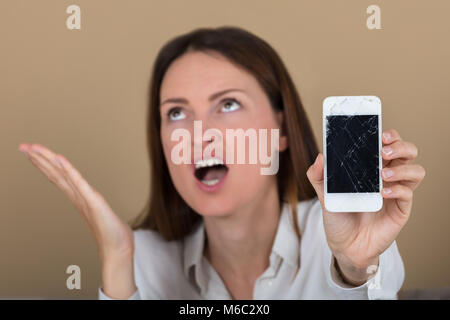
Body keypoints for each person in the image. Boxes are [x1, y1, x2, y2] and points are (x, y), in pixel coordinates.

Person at [18, 26, 425, 300]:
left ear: (281, 129)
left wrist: (355, 266)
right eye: (176, 113)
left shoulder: (340, 229)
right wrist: (119, 259)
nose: (198, 132)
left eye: (228, 104)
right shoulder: (141, 259)